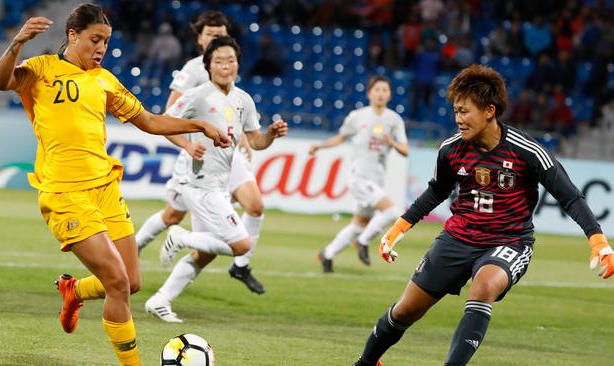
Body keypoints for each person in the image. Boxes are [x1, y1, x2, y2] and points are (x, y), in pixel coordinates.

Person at [0, 5, 229, 365]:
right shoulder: (41, 69)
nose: (101, 48)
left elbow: (149, 120)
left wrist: (200, 126)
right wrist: (17, 43)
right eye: (95, 40)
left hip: (104, 188)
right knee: (117, 281)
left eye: (106, 42)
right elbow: (0, 82)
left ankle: (74, 291)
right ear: (73, 35)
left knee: (130, 282)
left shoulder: (104, 80)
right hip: (65, 194)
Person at [351, 64, 613, 366]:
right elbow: (436, 191)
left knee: (483, 287)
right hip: (458, 237)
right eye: (455, 112)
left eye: (465, 111)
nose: (458, 119)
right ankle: (365, 362)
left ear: (489, 110)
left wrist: (598, 241)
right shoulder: (450, 149)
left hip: (509, 242)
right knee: (405, 311)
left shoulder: (527, 151)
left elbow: (570, 196)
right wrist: (397, 229)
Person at [144, 36, 288, 323]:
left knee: (205, 254)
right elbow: (161, 123)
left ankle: (159, 300)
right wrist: (187, 145)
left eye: (231, 60)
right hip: (200, 185)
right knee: (243, 246)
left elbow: (256, 142)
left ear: (238, 64)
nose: (226, 66)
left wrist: (270, 134)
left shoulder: (242, 99)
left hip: (219, 186)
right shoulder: (198, 95)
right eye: (219, 60)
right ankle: (180, 236)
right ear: (208, 65)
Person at [135, 10, 268, 295]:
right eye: (210, 35)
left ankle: (240, 264)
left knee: (255, 206)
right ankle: (133, 251)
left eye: (220, 35)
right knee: (173, 217)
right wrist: (186, 143)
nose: (215, 39)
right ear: (199, 39)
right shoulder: (195, 69)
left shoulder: (228, 65)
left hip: (228, 155)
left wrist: (244, 136)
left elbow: (230, 110)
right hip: (200, 158)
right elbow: (169, 115)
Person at [309, 76, 408, 273]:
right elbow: (340, 138)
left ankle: (327, 254)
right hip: (359, 177)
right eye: (377, 89)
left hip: (377, 179)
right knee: (391, 212)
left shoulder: (394, 120)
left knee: (360, 223)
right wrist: (319, 146)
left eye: (384, 90)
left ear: (389, 95)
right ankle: (362, 242)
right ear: (369, 93)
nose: (380, 93)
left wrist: (392, 143)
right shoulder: (358, 116)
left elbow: (405, 150)